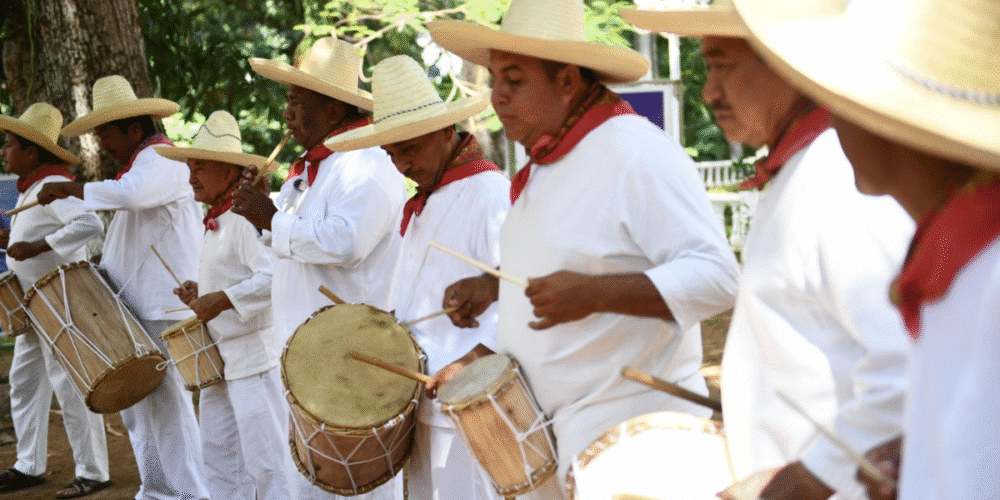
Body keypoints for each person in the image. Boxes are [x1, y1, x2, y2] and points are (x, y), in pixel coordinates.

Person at [428, 0, 741, 496]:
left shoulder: (637, 151)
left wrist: (596, 294)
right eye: (494, 80)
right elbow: (572, 259)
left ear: (568, 80)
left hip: (638, 447)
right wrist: (493, 295)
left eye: (515, 79)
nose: (498, 97)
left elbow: (719, 278)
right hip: (565, 443)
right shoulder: (547, 161)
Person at [624, 3, 915, 499]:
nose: (709, 91)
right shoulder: (806, 169)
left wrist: (811, 477)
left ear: (789, 62)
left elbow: (906, 366)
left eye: (723, 64)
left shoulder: (836, 176)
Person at [732, 0, 1000, 498]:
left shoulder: (987, 278)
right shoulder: (967, 261)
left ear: (889, 124)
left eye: (842, 103)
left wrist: (811, 477)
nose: (831, 122)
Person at [325, 54, 506, 500]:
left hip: (474, 403)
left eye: (409, 149)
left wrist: (472, 360)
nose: (401, 165)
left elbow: (525, 291)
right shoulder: (428, 198)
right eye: (392, 153)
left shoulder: (489, 193)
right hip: (425, 404)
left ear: (446, 131)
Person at [233, 36, 407, 500]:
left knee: (356, 484)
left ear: (333, 111)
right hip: (309, 353)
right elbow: (297, 241)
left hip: (352, 357)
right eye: (288, 102)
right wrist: (268, 213)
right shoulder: (313, 171)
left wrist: (269, 217)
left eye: (296, 102)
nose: (287, 114)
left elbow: (345, 242)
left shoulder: (366, 164)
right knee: (312, 481)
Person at [37, 75, 211, 500]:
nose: (102, 143)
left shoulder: (163, 158)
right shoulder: (142, 165)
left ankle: (190, 494)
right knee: (137, 407)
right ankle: (157, 489)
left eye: (107, 133)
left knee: (166, 404)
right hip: (137, 302)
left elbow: (130, 197)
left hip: (162, 304)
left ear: (135, 129)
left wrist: (71, 188)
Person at [153, 110, 288, 500]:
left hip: (254, 360)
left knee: (268, 464)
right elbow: (237, 277)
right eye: (190, 168)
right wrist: (204, 293)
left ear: (231, 173)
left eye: (201, 168)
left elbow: (274, 276)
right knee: (218, 458)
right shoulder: (216, 218)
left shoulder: (245, 218)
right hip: (220, 361)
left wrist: (224, 298)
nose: (191, 177)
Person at [0, 103, 110, 498]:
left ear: (31, 151)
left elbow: (90, 222)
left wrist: (38, 245)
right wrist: (14, 244)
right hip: (36, 305)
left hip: (61, 301)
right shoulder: (33, 188)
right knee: (25, 381)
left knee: (68, 385)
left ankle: (93, 472)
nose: (3, 151)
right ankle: (29, 465)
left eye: (9, 144)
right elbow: (32, 244)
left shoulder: (53, 186)